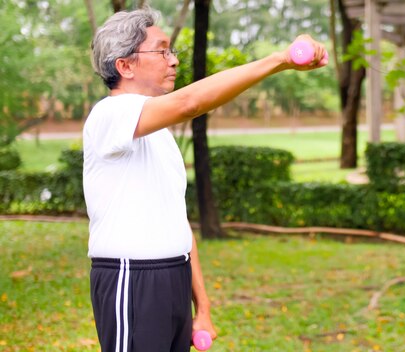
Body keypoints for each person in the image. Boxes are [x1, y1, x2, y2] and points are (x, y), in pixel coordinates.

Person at [83, 7, 327, 352]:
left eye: (173, 51)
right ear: (125, 65)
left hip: (174, 277)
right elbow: (190, 103)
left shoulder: (159, 135)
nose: (173, 61)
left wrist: (204, 307)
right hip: (131, 278)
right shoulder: (109, 116)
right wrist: (279, 60)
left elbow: (177, 223)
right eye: (162, 50)